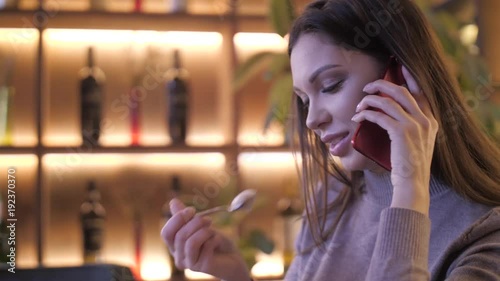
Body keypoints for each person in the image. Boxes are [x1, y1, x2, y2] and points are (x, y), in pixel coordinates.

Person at [161, 0, 500, 280]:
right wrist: (234, 274)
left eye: (330, 85)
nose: (312, 119)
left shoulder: (484, 234)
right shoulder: (335, 199)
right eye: (304, 100)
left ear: (402, 76)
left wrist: (409, 188)